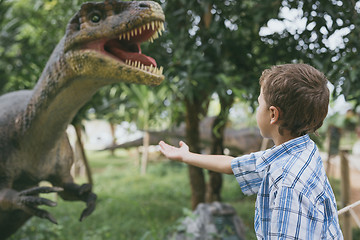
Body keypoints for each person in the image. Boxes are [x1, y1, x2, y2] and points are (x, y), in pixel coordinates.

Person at [159, 63, 343, 239]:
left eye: (259, 103)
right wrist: (187, 156)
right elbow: (232, 165)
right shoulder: (300, 149)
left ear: (273, 114)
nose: (257, 109)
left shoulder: (288, 185)